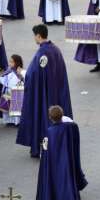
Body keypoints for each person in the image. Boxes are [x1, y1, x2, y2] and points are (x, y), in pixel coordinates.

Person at [18, 25, 72, 158]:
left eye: (34, 36)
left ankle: (45, 147)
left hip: (45, 94)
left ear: (38, 36)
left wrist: (23, 73)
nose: (34, 38)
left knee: (43, 118)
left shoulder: (42, 53)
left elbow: (33, 74)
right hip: (56, 92)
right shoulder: (56, 50)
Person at [36, 105, 87, 200]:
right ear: (62, 115)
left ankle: (52, 197)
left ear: (50, 117)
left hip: (54, 159)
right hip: (66, 157)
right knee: (65, 176)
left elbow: (46, 148)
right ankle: (68, 197)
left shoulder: (49, 131)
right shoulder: (69, 127)